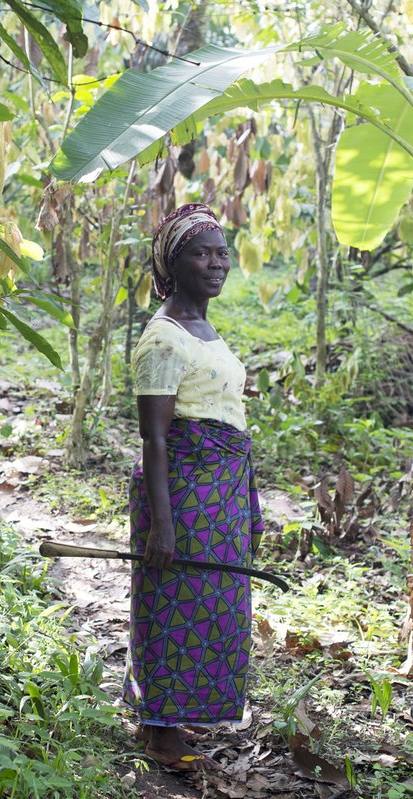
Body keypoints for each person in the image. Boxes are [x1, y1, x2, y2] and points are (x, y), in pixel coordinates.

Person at [125, 203, 264, 771]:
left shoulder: (203, 328)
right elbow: (156, 439)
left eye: (222, 252)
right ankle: (159, 733)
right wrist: (163, 523)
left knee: (212, 601)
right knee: (172, 601)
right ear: (172, 264)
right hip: (183, 492)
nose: (216, 263)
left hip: (222, 490)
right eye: (201, 253)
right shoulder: (161, 340)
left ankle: (178, 717)